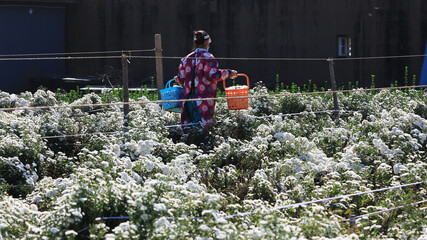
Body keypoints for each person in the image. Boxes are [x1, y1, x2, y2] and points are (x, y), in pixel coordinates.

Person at [175, 30, 237, 131]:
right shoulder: (208, 57)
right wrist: (229, 73)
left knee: (189, 129)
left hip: (187, 100)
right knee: (200, 130)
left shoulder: (186, 59)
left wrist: (177, 79)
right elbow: (212, 75)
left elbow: (180, 79)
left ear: (195, 43)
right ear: (206, 42)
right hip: (202, 100)